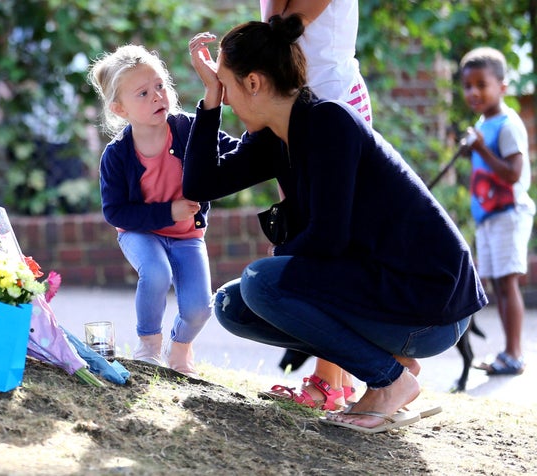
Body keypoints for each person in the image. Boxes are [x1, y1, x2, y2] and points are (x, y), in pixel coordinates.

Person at [183, 15, 486, 433]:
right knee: (233, 306)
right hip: (385, 294)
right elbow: (200, 183)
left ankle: (390, 382)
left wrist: (279, 263)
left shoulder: (328, 122)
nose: (230, 101)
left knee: (261, 283)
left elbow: (329, 237)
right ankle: (392, 366)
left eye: (229, 85)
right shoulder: (275, 136)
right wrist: (210, 97)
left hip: (430, 303)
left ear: (254, 82)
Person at [87, 44, 236, 377]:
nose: (157, 96)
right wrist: (169, 212)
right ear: (119, 109)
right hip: (141, 233)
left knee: (199, 308)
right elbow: (116, 213)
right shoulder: (117, 155)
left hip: (187, 236)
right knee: (155, 273)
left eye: (160, 86)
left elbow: (235, 151)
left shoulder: (187, 128)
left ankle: (180, 347)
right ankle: (149, 346)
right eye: (143, 93)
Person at [258, 0, 372, 410]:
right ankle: (335, 383)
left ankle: (330, 379)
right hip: (301, 103)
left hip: (330, 103)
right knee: (310, 237)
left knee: (326, 245)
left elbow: (282, 26)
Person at [460, 46, 533, 376]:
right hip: (489, 218)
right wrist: (470, 150)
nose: (473, 92)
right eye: (468, 86)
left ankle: (514, 354)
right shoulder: (483, 124)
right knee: (499, 286)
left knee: (508, 283)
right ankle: (507, 352)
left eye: (481, 84)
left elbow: (512, 173)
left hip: (509, 214)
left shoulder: (507, 125)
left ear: (502, 87)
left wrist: (481, 149)